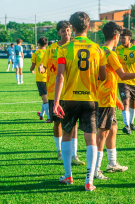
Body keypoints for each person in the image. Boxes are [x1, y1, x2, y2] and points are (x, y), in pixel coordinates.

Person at [53, 12, 107, 191]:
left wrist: (55, 102)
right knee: (91, 139)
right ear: (89, 26)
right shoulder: (98, 49)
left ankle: (68, 176)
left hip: (69, 98)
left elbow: (60, 76)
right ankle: (89, 180)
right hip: (90, 99)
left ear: (72, 28)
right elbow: (103, 76)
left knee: (67, 134)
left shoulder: (64, 49)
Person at [95, 22, 135, 180]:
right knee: (103, 132)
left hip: (105, 97)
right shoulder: (110, 53)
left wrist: (115, 99)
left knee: (113, 128)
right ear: (116, 36)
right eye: (119, 36)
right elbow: (123, 76)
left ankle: (112, 163)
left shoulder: (99, 50)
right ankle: (96, 168)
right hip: (104, 99)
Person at [39, 21, 85, 164]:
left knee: (74, 124)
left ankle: (74, 155)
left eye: (68, 30)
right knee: (58, 122)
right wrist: (42, 68)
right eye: (63, 31)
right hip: (55, 92)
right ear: (58, 33)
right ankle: (59, 150)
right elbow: (44, 65)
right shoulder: (52, 48)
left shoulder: (74, 47)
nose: (66, 33)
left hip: (72, 91)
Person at [30, 37, 51, 123]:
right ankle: (41, 115)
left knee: (44, 98)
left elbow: (32, 66)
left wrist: (31, 70)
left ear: (38, 44)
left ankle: (49, 118)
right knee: (45, 97)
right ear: (46, 45)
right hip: (49, 78)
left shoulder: (36, 53)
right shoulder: (48, 53)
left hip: (40, 78)